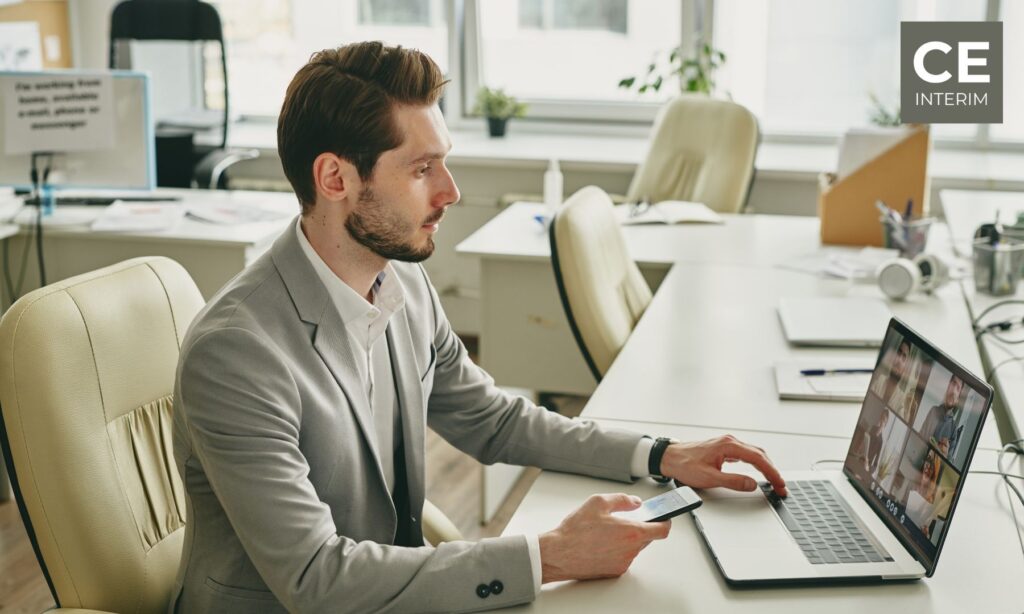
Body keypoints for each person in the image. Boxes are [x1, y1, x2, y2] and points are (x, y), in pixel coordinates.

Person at [169, 42, 787, 613]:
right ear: (335, 179)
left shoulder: (400, 281)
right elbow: (314, 578)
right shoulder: (237, 352)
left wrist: (661, 454)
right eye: (422, 169)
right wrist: (551, 554)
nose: (451, 191)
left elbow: (491, 419)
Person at [919, 376, 965, 458]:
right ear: (948, 386)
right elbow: (918, 438)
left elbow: (948, 461)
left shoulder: (954, 429)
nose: (954, 391)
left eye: (958, 388)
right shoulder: (933, 411)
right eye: (953, 383)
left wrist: (945, 456)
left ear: (958, 399)